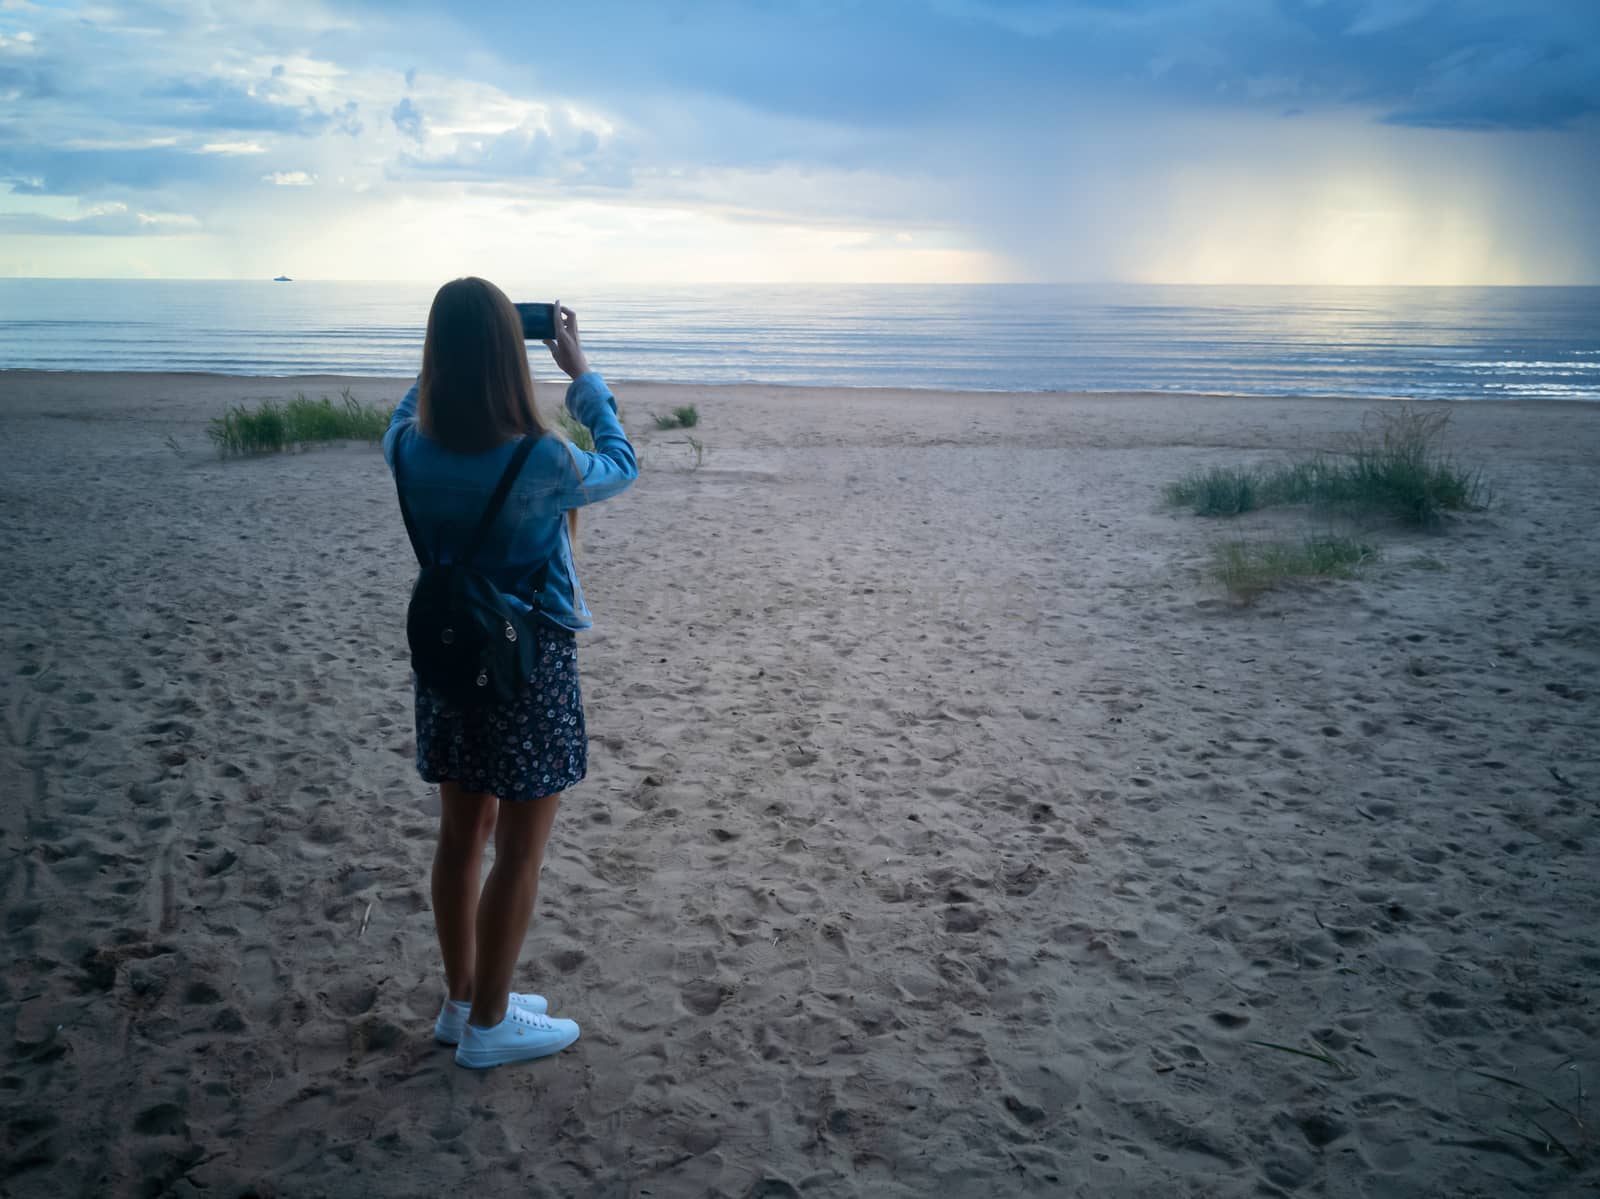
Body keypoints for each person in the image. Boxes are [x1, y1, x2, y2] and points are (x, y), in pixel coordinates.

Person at [383, 277, 637, 1069]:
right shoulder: (541, 460)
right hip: (529, 666)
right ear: (507, 356)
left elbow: (411, 403)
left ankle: (463, 1002)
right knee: (520, 847)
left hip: (451, 657)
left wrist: (446, 357)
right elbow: (622, 462)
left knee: (462, 836)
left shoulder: (406, 447)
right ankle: (491, 1024)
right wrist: (580, 372)